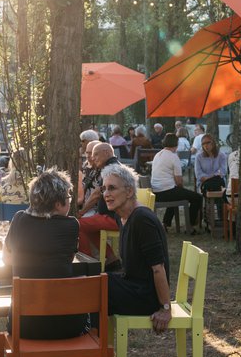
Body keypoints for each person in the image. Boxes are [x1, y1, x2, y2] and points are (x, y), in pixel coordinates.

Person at [3, 168, 88, 357]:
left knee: (25, 314)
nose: (70, 203)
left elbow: (7, 259)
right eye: (69, 199)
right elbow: (70, 257)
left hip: (26, 326)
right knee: (79, 314)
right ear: (59, 202)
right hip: (68, 326)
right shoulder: (71, 225)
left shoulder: (19, 219)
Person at [100, 162, 172, 334]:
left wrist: (166, 309)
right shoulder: (122, 217)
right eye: (104, 189)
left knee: (96, 288)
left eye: (112, 188)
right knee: (95, 280)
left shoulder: (141, 219)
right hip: (132, 286)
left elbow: (158, 268)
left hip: (146, 296)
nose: (106, 194)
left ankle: (93, 353)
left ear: (130, 191)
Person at [78, 142, 120, 268]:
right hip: (111, 215)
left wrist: (80, 212)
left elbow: (96, 195)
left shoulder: (110, 170)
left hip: (114, 217)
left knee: (77, 224)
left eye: (96, 154)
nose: (93, 157)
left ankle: (88, 262)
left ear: (107, 153)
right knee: (88, 225)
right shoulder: (113, 166)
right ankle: (112, 259)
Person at [150, 133, 202, 234]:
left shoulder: (158, 154)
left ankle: (165, 223)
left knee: (176, 194)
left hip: (156, 192)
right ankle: (190, 225)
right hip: (167, 191)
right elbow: (179, 181)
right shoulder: (173, 157)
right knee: (197, 197)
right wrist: (182, 189)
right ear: (176, 144)